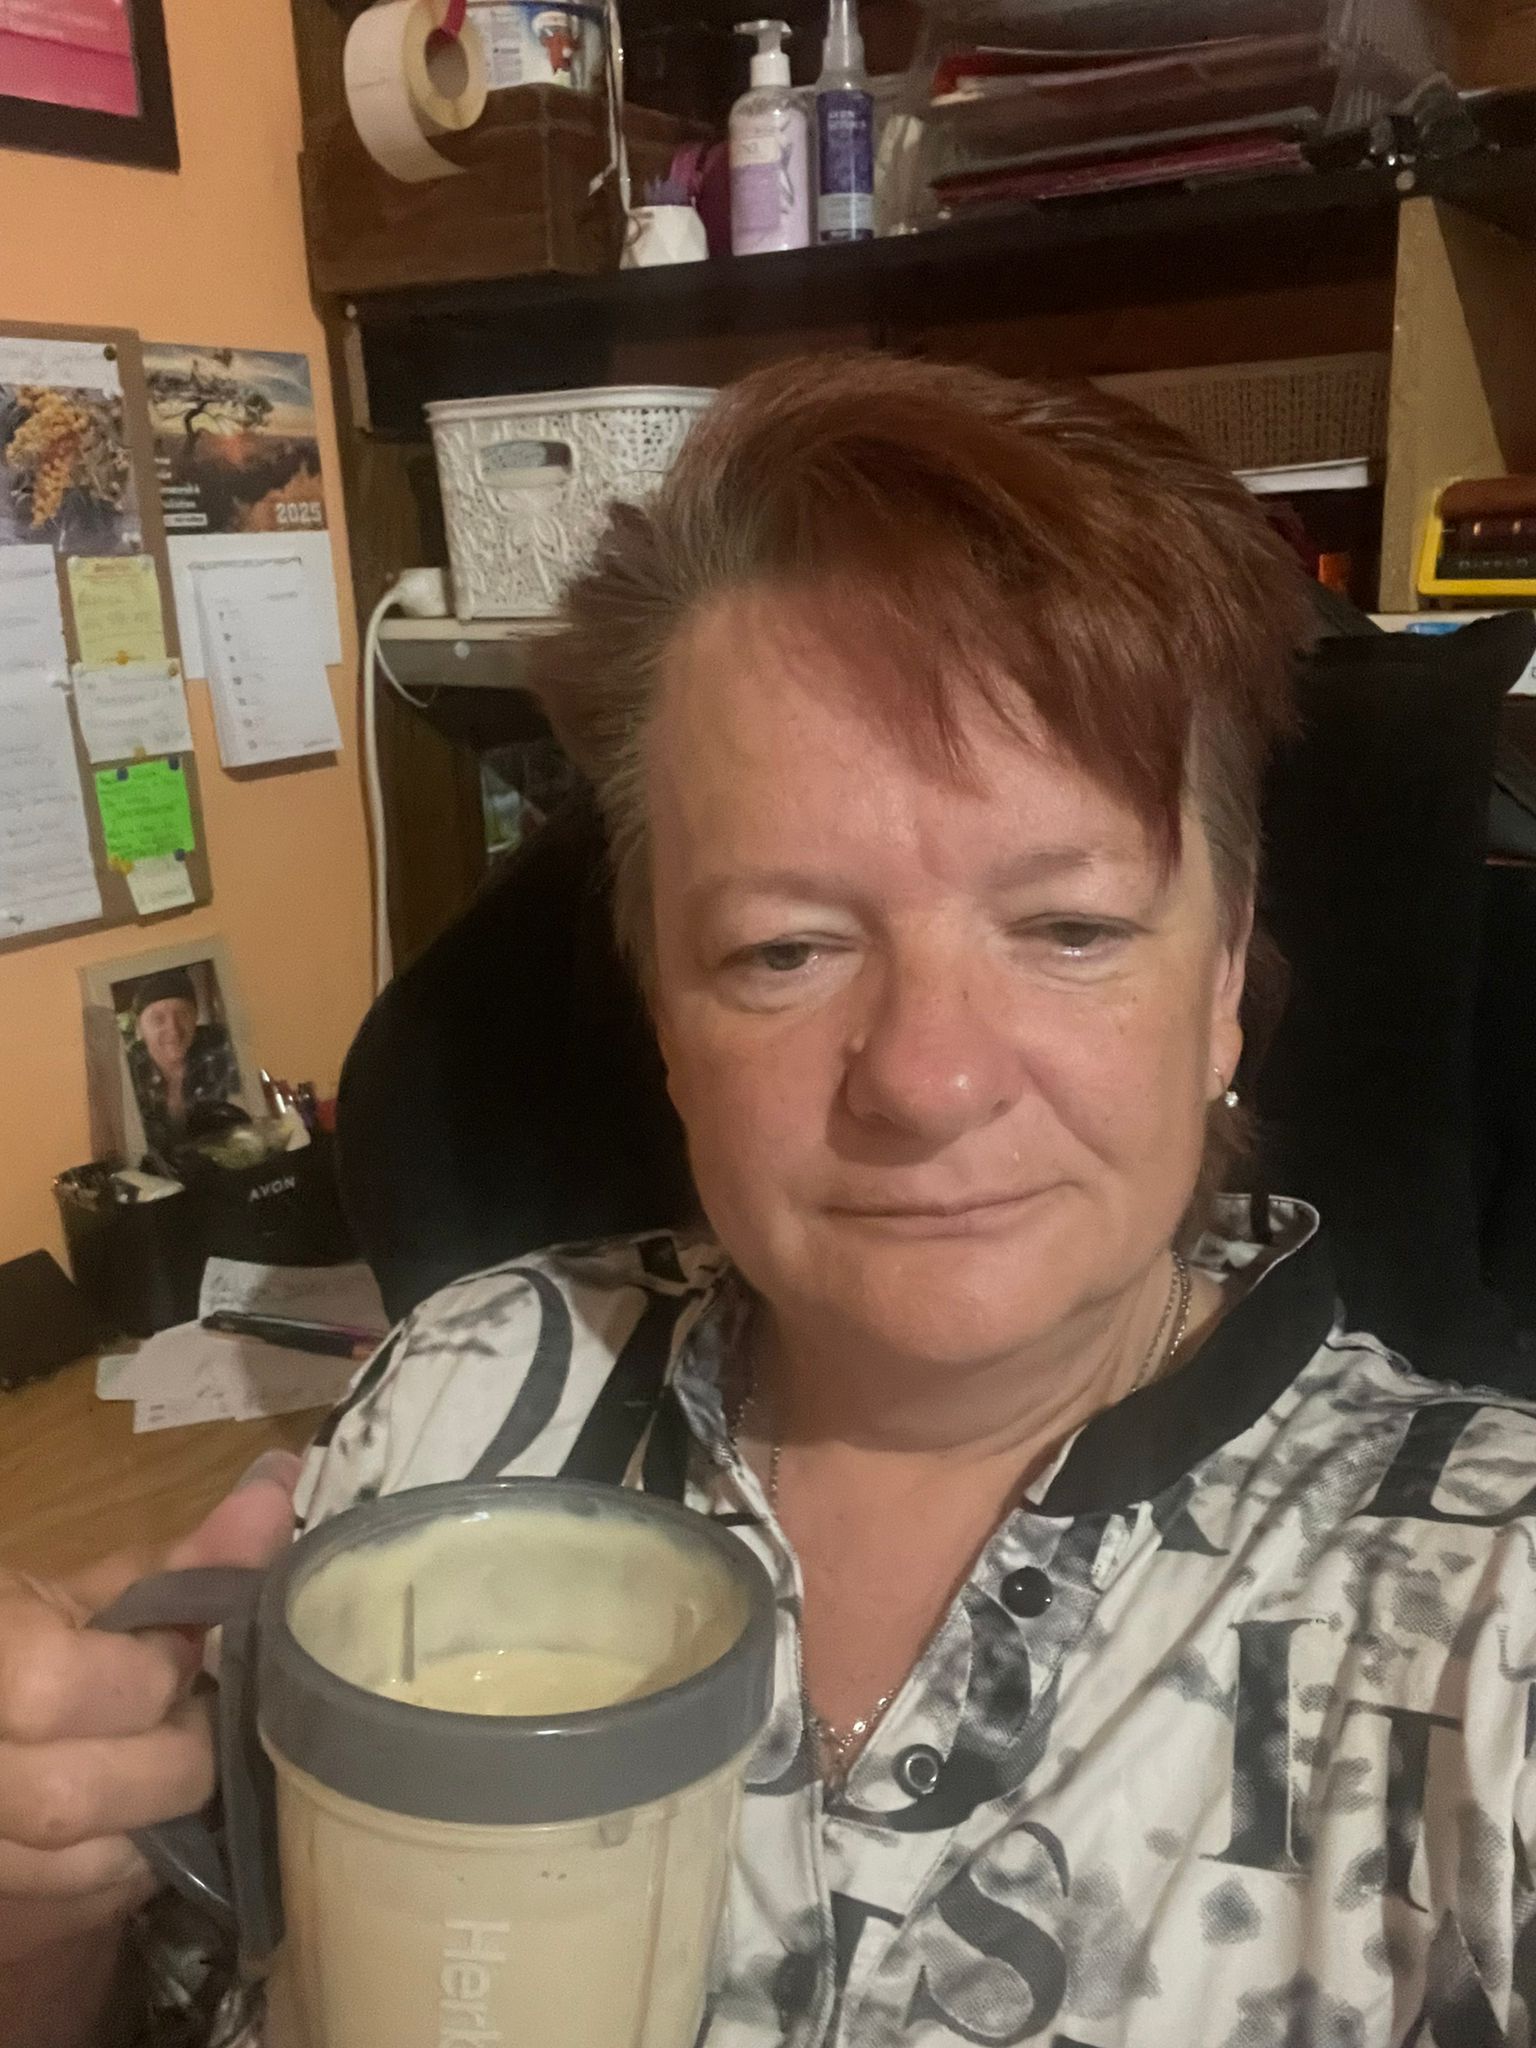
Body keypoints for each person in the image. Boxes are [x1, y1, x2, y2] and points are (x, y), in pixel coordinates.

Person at [5, 353, 1536, 2048]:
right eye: (785, 949)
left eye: (1070, 929)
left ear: (1225, 983)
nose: (926, 1077)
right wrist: (34, 1910)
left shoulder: (1492, 1610)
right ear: (664, 1009)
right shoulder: (462, 1398)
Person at [123, 968, 240, 1160]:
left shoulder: (223, 1050)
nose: (174, 1029)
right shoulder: (126, 1074)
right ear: (140, 1028)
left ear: (195, 1017)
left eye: (183, 1014)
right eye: (158, 1019)